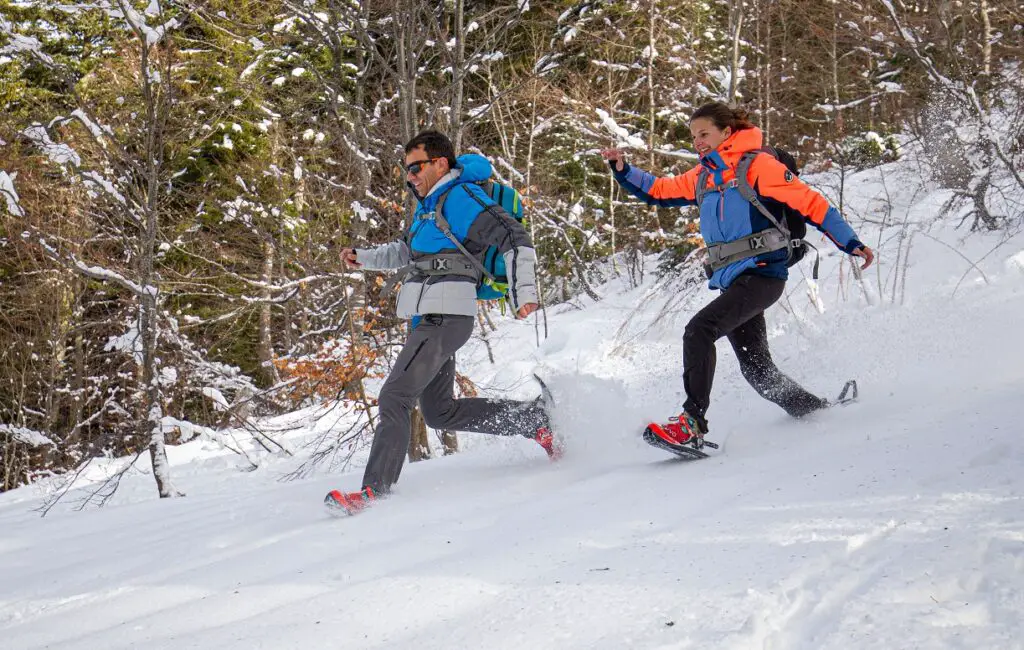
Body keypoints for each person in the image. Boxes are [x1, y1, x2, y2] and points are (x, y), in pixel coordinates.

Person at [601, 102, 874, 450]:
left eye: (705, 134)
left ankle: (692, 424)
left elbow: (813, 204)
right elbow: (661, 191)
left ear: (726, 132)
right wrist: (624, 170)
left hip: (763, 275)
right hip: (735, 281)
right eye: (694, 136)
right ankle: (816, 411)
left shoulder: (758, 167)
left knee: (699, 330)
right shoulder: (704, 176)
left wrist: (851, 242)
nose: (698, 142)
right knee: (758, 371)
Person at [326, 130, 559, 515]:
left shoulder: (461, 198)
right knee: (438, 412)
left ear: (440, 163)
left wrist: (524, 293)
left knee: (394, 396)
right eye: (406, 170)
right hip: (426, 317)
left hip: (445, 315)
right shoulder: (428, 206)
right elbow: (405, 251)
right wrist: (363, 258)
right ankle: (534, 419)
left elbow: (514, 237)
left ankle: (374, 492)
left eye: (416, 168)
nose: (410, 177)